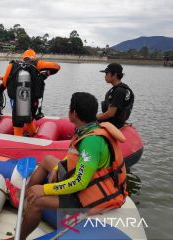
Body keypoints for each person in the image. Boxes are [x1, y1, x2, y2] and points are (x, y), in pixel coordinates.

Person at [11, 92, 127, 240]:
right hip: (86, 178)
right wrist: (55, 168)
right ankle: (22, 198)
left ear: (74, 113)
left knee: (36, 202)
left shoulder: (92, 141)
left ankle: (19, 237)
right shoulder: (88, 128)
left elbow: (80, 182)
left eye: (70, 108)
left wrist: (44, 189)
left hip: (88, 195)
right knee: (47, 160)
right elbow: (75, 155)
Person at [2, 49, 60, 136]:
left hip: (17, 99)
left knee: (18, 122)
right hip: (32, 100)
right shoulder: (37, 64)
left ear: (23, 57)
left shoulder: (12, 65)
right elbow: (56, 67)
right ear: (34, 57)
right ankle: (33, 135)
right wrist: (45, 74)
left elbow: (4, 82)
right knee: (29, 119)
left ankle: (17, 139)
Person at [97, 63, 134, 128]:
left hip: (113, 124)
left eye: (106, 74)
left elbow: (110, 113)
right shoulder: (125, 89)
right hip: (118, 122)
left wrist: (93, 117)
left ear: (114, 75)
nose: (105, 76)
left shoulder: (119, 91)